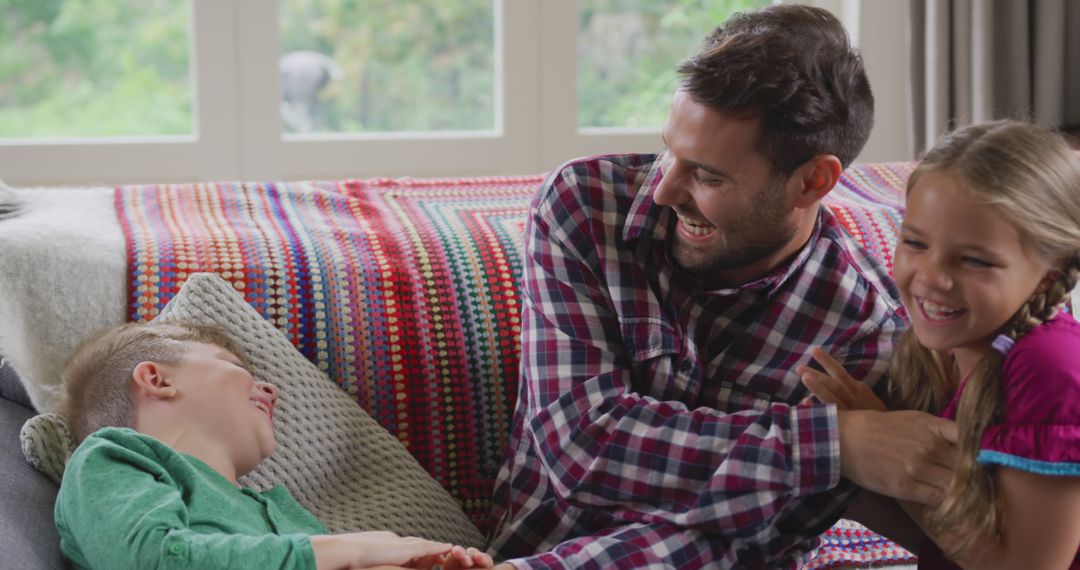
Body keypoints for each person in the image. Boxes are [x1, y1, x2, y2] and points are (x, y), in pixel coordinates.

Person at [488, 4, 958, 568]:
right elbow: (580, 446)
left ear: (813, 181)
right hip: (530, 548)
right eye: (671, 152)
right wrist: (834, 445)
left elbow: (738, 545)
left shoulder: (864, 335)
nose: (665, 191)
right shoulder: (586, 208)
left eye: (708, 176)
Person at [799, 120, 1080, 569]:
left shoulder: (1050, 366)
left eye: (973, 260)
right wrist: (843, 462)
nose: (932, 278)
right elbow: (945, 540)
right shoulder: (944, 346)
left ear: (1050, 269)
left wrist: (905, 473)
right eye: (915, 243)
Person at [54, 321, 495, 570]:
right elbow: (152, 560)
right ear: (157, 379)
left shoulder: (280, 513)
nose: (271, 388)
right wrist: (354, 550)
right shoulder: (110, 457)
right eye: (232, 365)